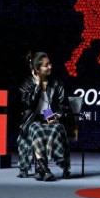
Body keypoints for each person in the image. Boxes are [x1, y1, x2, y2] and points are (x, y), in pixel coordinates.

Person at [17, 52, 71, 181]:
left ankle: (42, 170)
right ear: (37, 69)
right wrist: (37, 85)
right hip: (33, 120)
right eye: (46, 65)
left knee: (53, 129)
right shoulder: (27, 84)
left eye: (50, 64)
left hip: (50, 116)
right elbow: (29, 104)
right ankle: (44, 168)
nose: (50, 67)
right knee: (36, 130)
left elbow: (63, 106)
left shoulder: (57, 83)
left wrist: (56, 117)